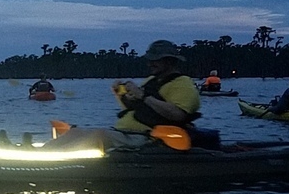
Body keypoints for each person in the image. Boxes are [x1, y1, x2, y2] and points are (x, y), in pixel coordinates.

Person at [42, 40, 201, 151]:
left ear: (169, 61)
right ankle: (41, 153)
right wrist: (119, 94)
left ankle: (53, 162)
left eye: (155, 60)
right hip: (126, 132)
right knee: (75, 132)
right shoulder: (152, 80)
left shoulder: (183, 83)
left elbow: (178, 115)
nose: (150, 63)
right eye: (150, 60)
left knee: (99, 136)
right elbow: (134, 108)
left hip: (149, 137)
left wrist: (143, 95)